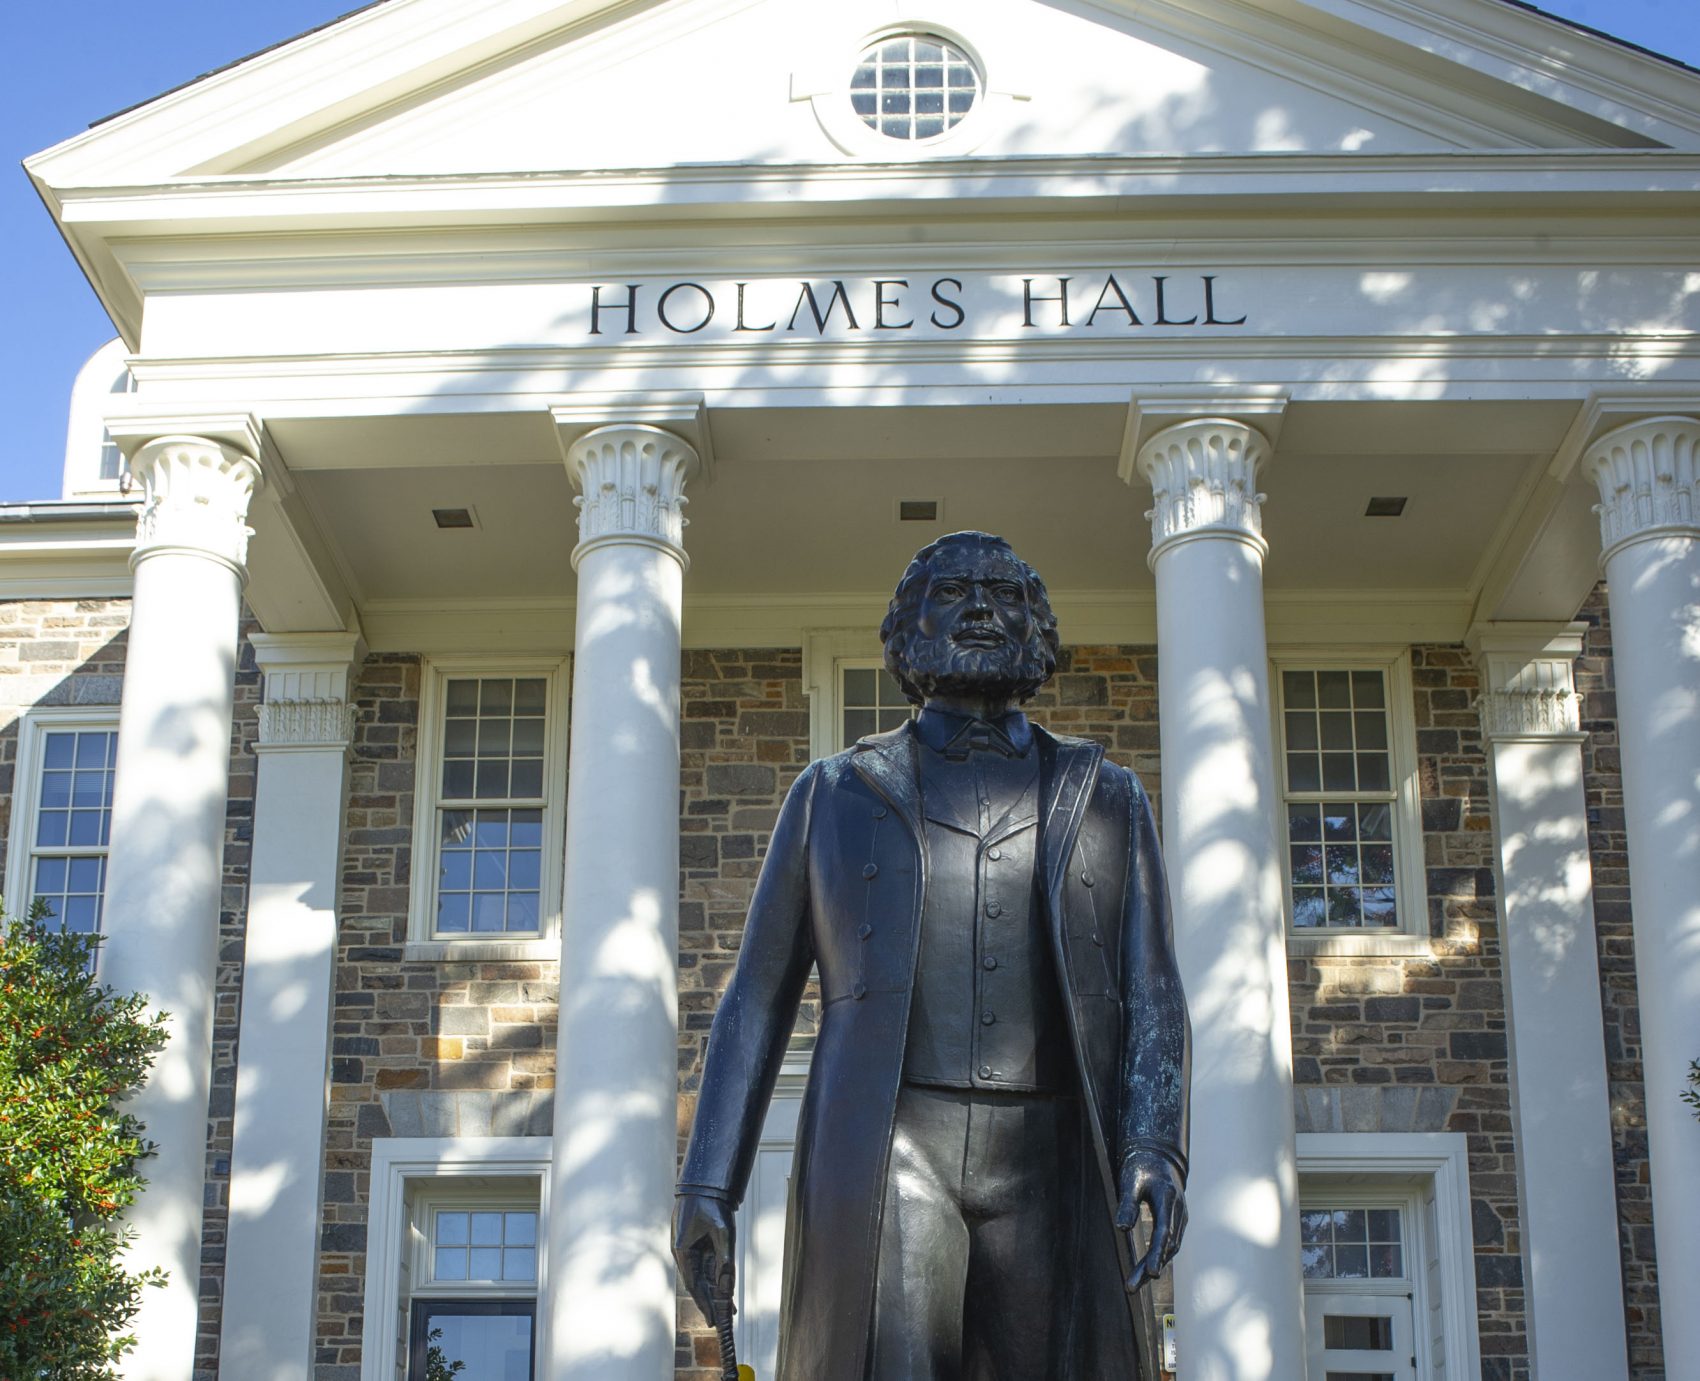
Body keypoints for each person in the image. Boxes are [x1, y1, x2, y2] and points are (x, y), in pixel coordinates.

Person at [674, 531, 1190, 1381]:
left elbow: (1154, 989)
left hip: (1050, 1156)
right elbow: (757, 996)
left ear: (1039, 629)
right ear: (908, 627)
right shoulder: (831, 794)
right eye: (954, 591)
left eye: (1007, 593)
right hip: (892, 1146)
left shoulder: (1109, 796)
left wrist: (1155, 1142)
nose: (983, 608)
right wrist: (708, 1182)